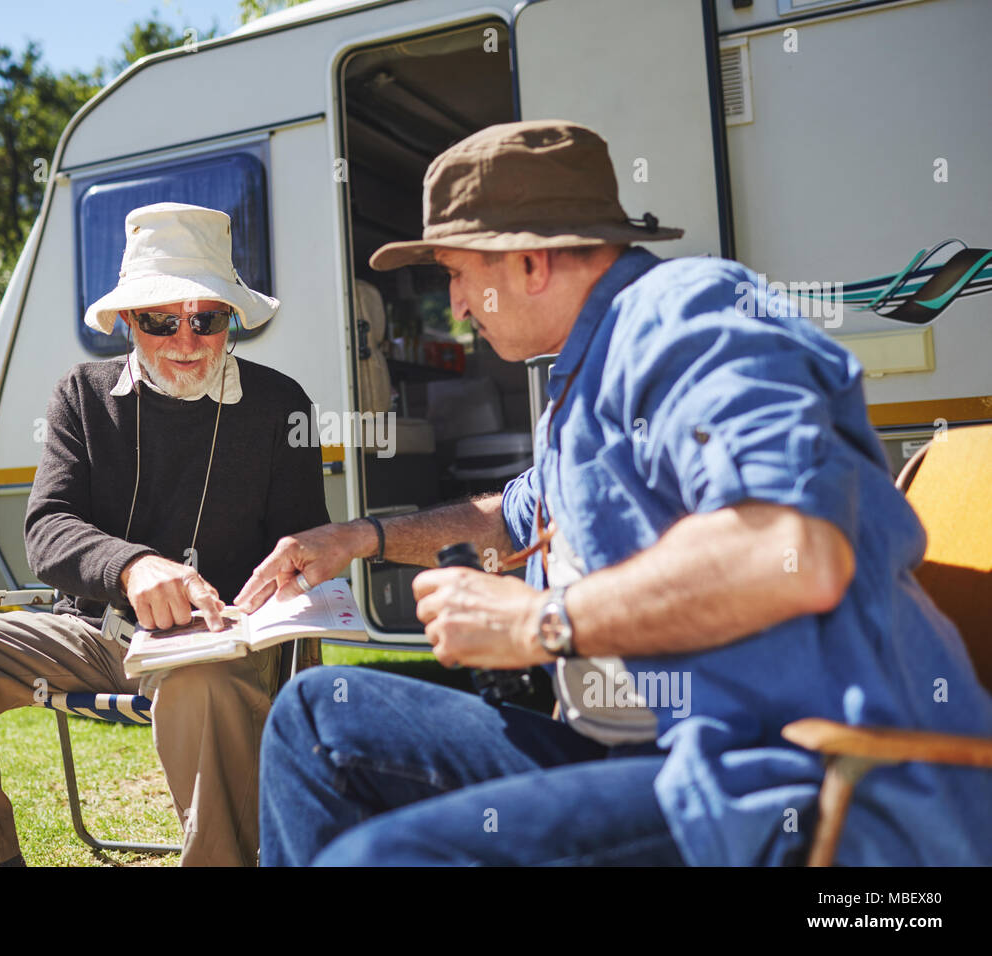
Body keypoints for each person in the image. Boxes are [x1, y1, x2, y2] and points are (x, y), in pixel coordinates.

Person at [238, 121, 992, 866]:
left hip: (798, 781)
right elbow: (512, 517)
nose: (457, 305)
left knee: (378, 859)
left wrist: (543, 621)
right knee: (316, 717)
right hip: (658, 750)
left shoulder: (686, 316)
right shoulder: (590, 366)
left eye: (457, 274)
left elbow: (790, 546)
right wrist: (357, 537)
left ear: (529, 262)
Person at [0, 202, 329, 866]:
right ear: (125, 322)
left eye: (206, 318)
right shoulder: (81, 396)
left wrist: (249, 616)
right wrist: (134, 567)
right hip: (96, 635)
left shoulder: (279, 404)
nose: (186, 340)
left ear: (230, 318)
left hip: (221, 645)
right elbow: (47, 529)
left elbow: (302, 549)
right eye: (160, 320)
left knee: (203, 683)